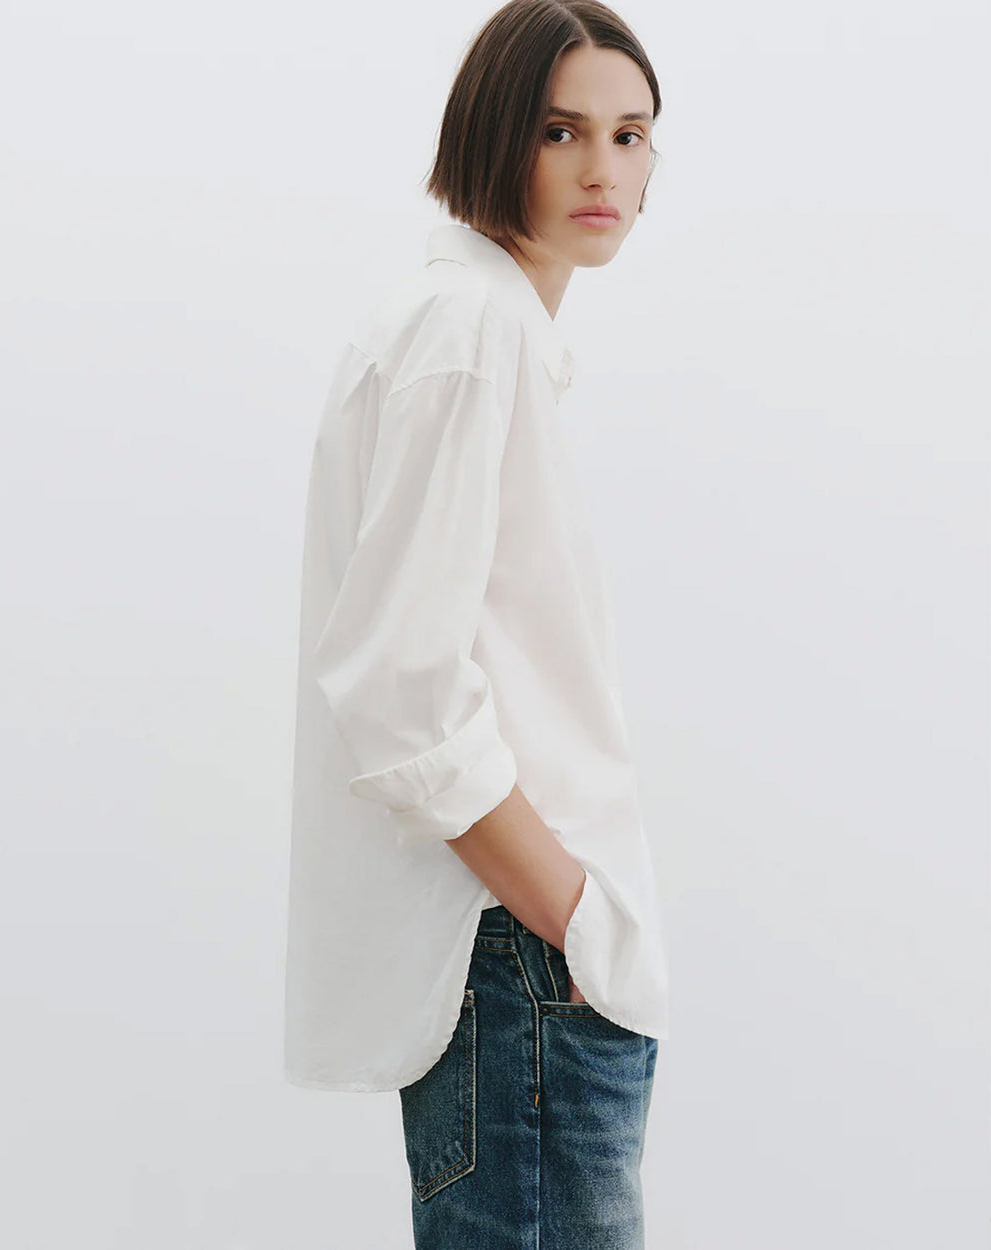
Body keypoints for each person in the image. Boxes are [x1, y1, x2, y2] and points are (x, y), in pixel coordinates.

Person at [283, 1, 670, 1244]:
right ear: (494, 135)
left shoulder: (472, 325)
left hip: (526, 959)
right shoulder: (468, 331)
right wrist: (570, 912)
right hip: (518, 958)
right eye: (562, 131)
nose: (602, 168)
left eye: (629, 134)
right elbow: (400, 686)